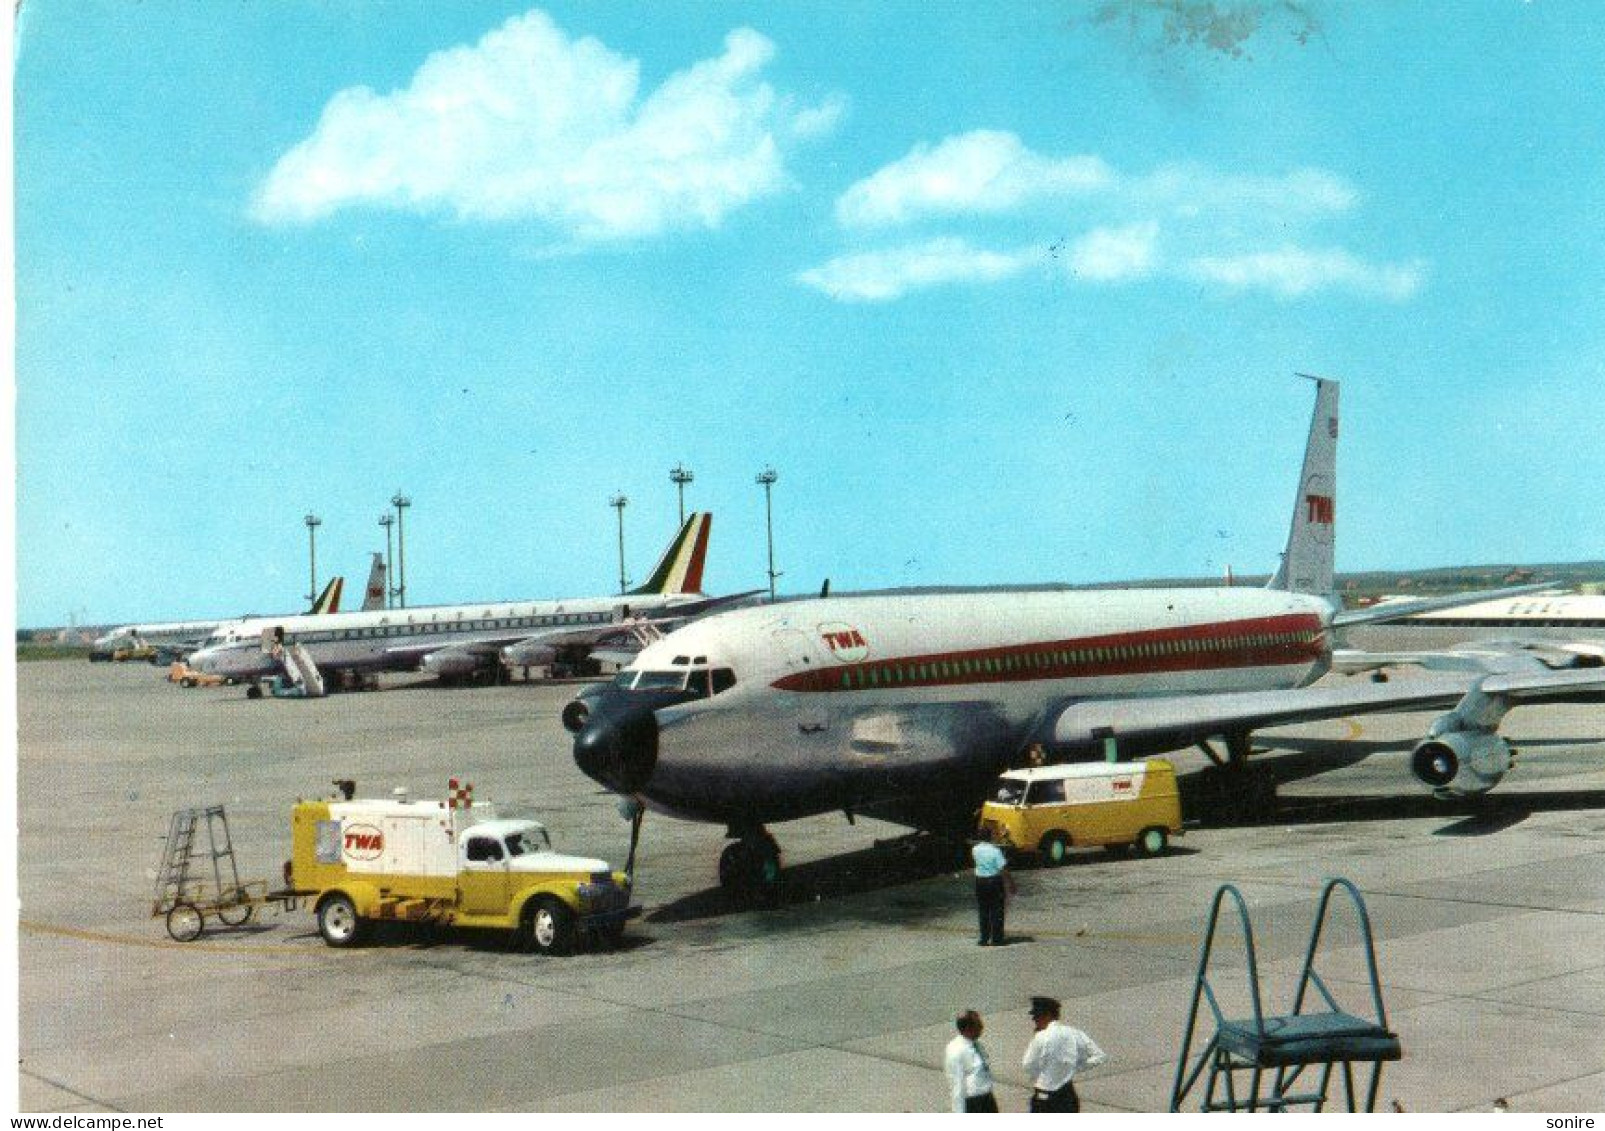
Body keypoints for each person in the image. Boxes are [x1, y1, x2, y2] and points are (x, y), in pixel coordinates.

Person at [1022, 996, 1105, 1112]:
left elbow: (1028, 1065)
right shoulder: (1074, 1033)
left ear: (1047, 1016)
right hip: (1067, 1094)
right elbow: (1099, 1056)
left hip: (1044, 1097)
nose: (1034, 1021)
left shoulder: (1041, 1036)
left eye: (1036, 1017)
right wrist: (1073, 1067)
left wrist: (1042, 1074)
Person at [944, 1009, 998, 1113]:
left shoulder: (977, 1045)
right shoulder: (956, 1049)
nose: (982, 1027)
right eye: (978, 1024)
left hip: (987, 1099)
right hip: (973, 1103)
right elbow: (956, 1084)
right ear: (968, 1028)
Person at [970, 837, 1014, 946]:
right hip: (994, 881)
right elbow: (1002, 868)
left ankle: (984, 937)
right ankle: (997, 938)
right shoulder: (995, 851)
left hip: (980, 881)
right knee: (997, 910)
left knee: (983, 910)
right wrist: (1011, 883)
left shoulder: (975, 849)